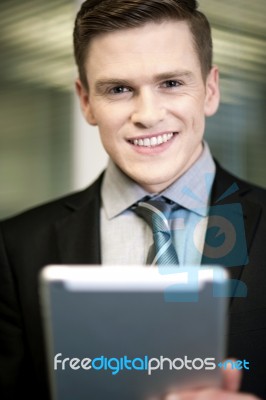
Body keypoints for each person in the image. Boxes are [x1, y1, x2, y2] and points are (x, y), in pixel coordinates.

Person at [0, 0, 265, 399]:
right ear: (86, 101)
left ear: (210, 91)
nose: (148, 114)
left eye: (171, 83)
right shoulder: (14, 247)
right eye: (119, 89)